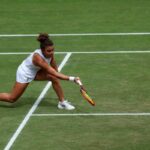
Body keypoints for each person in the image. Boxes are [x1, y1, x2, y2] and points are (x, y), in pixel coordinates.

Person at [0, 33, 80, 110]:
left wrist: (57, 76)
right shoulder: (37, 58)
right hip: (25, 73)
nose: (51, 53)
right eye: (49, 51)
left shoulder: (49, 54)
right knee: (12, 99)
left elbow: (53, 65)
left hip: (36, 71)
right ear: (42, 50)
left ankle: (62, 102)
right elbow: (52, 71)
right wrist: (72, 79)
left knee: (54, 78)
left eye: (53, 50)